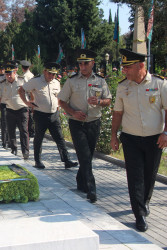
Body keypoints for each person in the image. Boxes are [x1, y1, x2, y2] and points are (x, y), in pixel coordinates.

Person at [110, 49, 167, 232]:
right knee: (134, 177)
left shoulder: (160, 84)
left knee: (149, 175)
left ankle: (145, 201)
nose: (124, 71)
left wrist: (166, 133)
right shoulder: (123, 86)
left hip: (154, 140)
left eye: (127, 67)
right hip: (131, 139)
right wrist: (113, 135)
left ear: (140, 66)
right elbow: (117, 113)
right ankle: (139, 214)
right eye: (123, 67)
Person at [58, 49, 112, 203]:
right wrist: (73, 112)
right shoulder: (72, 81)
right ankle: (91, 189)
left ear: (92, 63)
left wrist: (100, 102)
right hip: (77, 123)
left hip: (94, 122)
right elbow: (61, 101)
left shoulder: (101, 81)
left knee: (87, 156)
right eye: (80, 64)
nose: (82, 66)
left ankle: (80, 180)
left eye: (86, 63)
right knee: (85, 156)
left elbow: (108, 100)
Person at [19, 62, 78, 169]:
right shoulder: (36, 81)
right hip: (41, 114)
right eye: (49, 73)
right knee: (39, 138)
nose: (51, 76)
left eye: (54, 74)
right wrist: (27, 103)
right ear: (44, 71)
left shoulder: (56, 82)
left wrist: (58, 108)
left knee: (60, 138)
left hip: (54, 114)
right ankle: (38, 161)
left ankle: (66, 160)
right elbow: (21, 90)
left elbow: (58, 97)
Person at [0, 62, 29, 159]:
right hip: (9, 109)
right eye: (7, 74)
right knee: (11, 131)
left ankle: (25, 151)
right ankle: (13, 149)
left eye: (10, 73)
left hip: (22, 109)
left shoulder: (22, 80)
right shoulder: (2, 83)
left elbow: (31, 91)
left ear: (14, 72)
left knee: (23, 131)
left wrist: (31, 102)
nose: (8, 76)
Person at [20, 60, 35, 138]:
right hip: (33, 96)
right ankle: (31, 130)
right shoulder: (32, 75)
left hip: (28, 96)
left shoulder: (24, 76)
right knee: (31, 114)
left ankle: (30, 130)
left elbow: (24, 88)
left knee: (28, 114)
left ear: (22, 68)